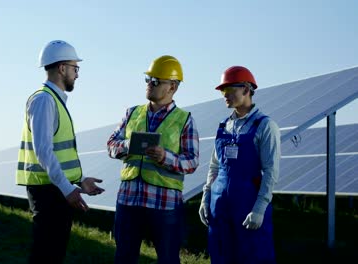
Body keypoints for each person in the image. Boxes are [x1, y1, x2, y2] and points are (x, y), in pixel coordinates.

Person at [16, 40, 105, 264]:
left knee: (53, 254)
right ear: (62, 68)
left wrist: (81, 180)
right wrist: (67, 189)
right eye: (75, 68)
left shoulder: (53, 100)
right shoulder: (44, 100)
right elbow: (44, 151)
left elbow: (58, 152)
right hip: (49, 193)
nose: (77, 74)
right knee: (46, 256)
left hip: (55, 190)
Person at [107, 55, 200, 264]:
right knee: (123, 258)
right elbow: (111, 144)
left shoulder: (184, 120)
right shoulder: (132, 113)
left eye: (156, 81)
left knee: (167, 260)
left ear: (172, 87)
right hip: (128, 201)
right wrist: (126, 146)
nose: (150, 84)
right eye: (148, 79)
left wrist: (165, 157)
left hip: (164, 205)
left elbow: (192, 161)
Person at [198, 66, 281, 264]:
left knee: (252, 255)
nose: (225, 95)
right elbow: (214, 167)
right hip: (219, 205)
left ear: (245, 88)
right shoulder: (223, 126)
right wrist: (206, 196)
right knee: (220, 254)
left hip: (248, 203)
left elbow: (271, 171)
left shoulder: (265, 125)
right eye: (222, 91)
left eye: (229, 89)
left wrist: (260, 208)